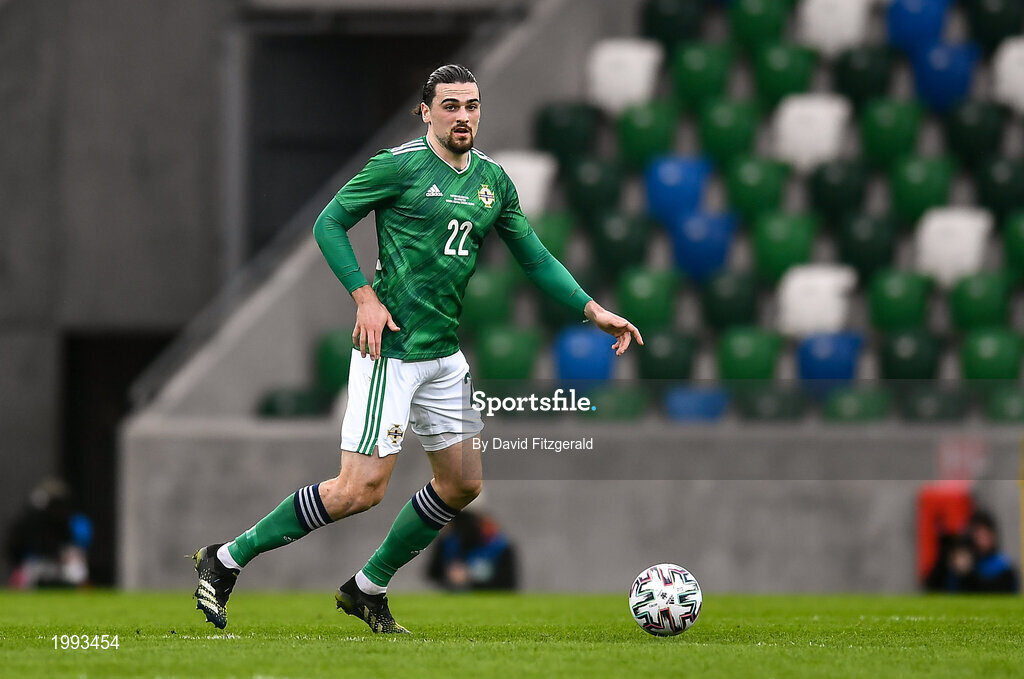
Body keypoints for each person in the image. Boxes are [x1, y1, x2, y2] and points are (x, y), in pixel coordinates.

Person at [192, 64, 643, 633]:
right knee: (358, 492)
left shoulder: (493, 182)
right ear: (426, 111)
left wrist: (592, 309)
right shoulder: (398, 166)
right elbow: (329, 224)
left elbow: (533, 256)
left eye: (472, 106)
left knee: (462, 484)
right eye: (450, 106)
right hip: (393, 354)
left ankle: (366, 588)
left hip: (444, 357)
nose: (463, 117)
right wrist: (363, 297)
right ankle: (226, 559)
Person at [6, 478, 92, 589]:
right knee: (23, 574)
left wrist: (64, 555)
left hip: (61, 563)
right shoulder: (29, 522)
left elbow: (79, 547)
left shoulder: (73, 522)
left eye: (58, 504)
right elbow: (15, 549)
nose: (55, 510)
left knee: (77, 568)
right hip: (36, 563)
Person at [426, 510, 517, 591]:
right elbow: (432, 573)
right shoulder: (447, 541)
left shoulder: (499, 545)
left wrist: (470, 578)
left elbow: (508, 584)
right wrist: (449, 574)